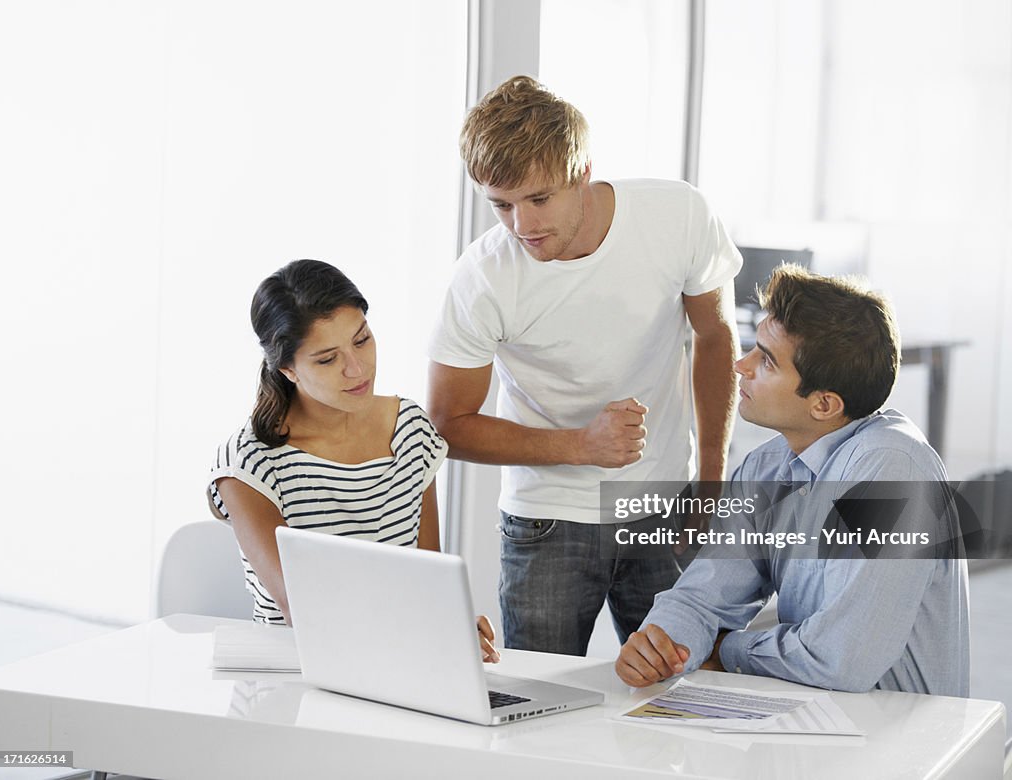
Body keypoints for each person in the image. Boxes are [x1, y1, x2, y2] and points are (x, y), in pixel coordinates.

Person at [428, 76, 742, 656]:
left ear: (582, 172)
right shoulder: (483, 277)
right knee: (536, 710)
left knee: (688, 696)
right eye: (501, 205)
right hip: (547, 516)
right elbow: (446, 426)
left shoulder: (677, 215)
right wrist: (581, 446)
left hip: (667, 502)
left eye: (539, 199)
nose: (522, 226)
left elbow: (715, 335)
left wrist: (713, 481)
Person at [616, 265, 969, 696]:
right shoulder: (765, 467)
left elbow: (843, 660)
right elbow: (705, 594)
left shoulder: (893, 472)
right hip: (812, 721)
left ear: (823, 404)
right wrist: (662, 642)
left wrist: (730, 650)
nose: (740, 365)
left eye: (765, 360)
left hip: (901, 741)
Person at [209, 259, 499, 662]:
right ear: (288, 368)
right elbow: (303, 611)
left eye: (361, 340)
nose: (356, 368)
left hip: (397, 664)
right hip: (294, 676)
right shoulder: (251, 461)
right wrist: (423, 626)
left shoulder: (410, 430)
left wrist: (451, 624)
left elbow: (428, 580)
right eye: (327, 359)